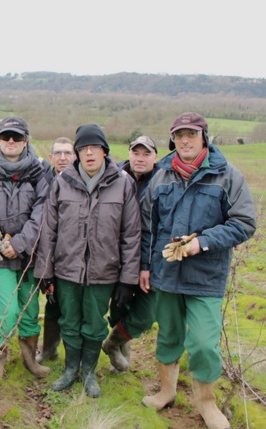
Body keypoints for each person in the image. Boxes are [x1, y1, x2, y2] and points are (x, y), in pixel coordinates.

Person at [140, 112, 256, 428]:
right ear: (172, 140)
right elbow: (147, 227)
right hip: (166, 274)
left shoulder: (228, 176)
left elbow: (244, 223)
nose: (185, 140)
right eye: (179, 135)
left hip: (206, 276)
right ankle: (166, 392)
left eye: (191, 134)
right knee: (168, 336)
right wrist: (146, 267)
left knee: (204, 343)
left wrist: (201, 242)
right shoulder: (161, 178)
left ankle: (206, 402)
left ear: (204, 137)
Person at [34, 124, 141, 397]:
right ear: (77, 153)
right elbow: (49, 231)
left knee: (94, 324)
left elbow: (131, 234)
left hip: (104, 272)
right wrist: (45, 271)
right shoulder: (61, 183)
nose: (89, 153)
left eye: (95, 147)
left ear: (105, 151)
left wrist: (127, 280)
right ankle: (71, 370)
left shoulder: (123, 183)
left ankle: (89, 372)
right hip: (67, 270)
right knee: (69, 322)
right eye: (83, 148)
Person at [0, 116, 53, 378]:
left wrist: (20, 243)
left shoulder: (41, 170)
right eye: (6, 136)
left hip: (29, 253)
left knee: (28, 311)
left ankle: (30, 358)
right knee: (6, 311)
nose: (11, 141)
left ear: (26, 140)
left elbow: (43, 211)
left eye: (17, 136)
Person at [102, 135, 159, 372]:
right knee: (118, 308)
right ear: (129, 154)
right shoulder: (116, 178)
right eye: (136, 153)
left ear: (155, 157)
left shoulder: (163, 182)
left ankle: (112, 343)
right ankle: (121, 361)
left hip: (150, 259)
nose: (141, 158)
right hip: (119, 256)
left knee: (147, 312)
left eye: (146, 154)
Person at [36, 137, 76, 364]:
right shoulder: (43, 181)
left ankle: (75, 355)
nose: (63, 158)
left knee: (72, 308)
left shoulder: (80, 182)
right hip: (46, 250)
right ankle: (49, 349)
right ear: (50, 157)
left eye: (68, 153)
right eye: (58, 153)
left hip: (71, 254)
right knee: (52, 304)